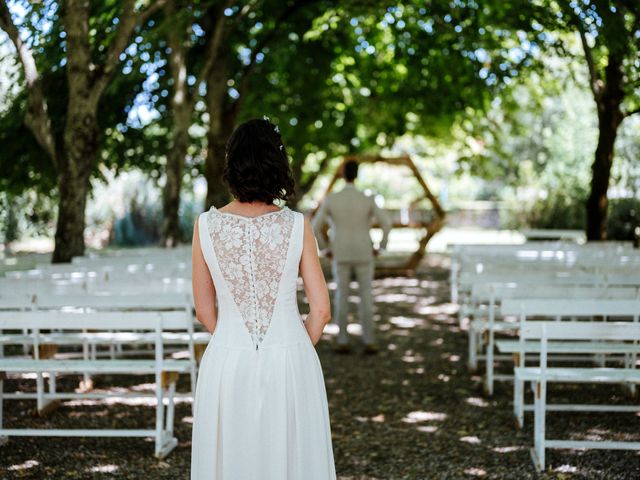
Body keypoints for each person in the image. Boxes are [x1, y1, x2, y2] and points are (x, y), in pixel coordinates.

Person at [190, 118, 336, 479]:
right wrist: (295, 348)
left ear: (232, 164)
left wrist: (234, 341)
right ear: (277, 163)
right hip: (290, 359)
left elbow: (204, 310)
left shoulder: (205, 226)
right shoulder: (297, 225)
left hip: (226, 362)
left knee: (232, 462)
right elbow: (320, 310)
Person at [312, 160, 391, 354]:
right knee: (366, 296)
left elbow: (315, 225)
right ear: (356, 174)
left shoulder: (332, 198)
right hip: (364, 250)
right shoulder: (367, 198)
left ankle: (342, 340)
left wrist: (326, 248)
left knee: (341, 295)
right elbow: (386, 223)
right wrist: (381, 246)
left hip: (340, 252)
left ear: (342, 174)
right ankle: (369, 340)